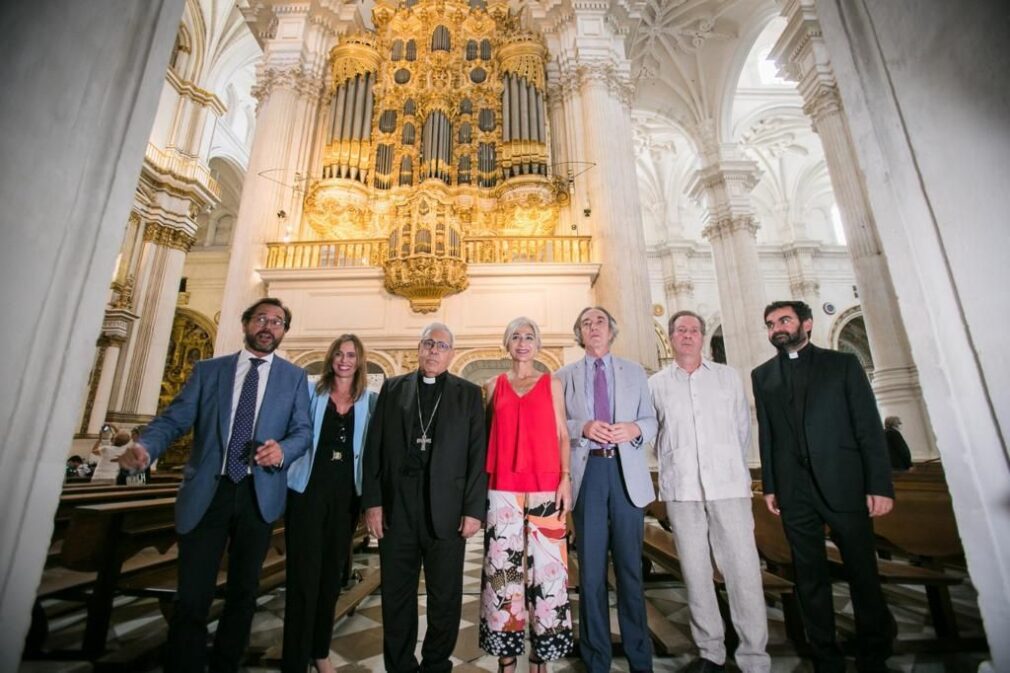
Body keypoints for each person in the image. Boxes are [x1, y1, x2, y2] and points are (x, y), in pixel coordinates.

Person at [119, 297, 312, 673]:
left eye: (277, 322)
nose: (269, 327)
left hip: (259, 492)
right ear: (245, 324)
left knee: (243, 593)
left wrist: (283, 450)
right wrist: (146, 447)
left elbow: (303, 431)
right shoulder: (210, 371)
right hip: (210, 491)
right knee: (193, 592)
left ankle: (225, 664)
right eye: (262, 319)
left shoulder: (294, 378)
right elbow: (174, 419)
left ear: (284, 331)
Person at [751, 300, 895, 673]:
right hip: (794, 492)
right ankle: (825, 655)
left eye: (784, 320)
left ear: (807, 324)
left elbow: (867, 427)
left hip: (844, 484)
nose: (777, 328)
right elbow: (768, 435)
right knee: (809, 575)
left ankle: (874, 650)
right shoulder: (763, 375)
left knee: (863, 573)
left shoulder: (842, 365)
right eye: (770, 324)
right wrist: (771, 485)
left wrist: (879, 485)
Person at [361, 322, 487, 673]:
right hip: (397, 508)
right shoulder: (392, 388)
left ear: (452, 354)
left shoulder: (468, 394)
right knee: (397, 594)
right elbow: (374, 450)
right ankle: (400, 666)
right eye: (429, 344)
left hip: (446, 509)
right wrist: (373, 503)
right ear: (419, 348)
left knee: (445, 596)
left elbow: (478, 457)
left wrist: (473, 509)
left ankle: (435, 664)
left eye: (442, 346)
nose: (434, 351)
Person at [649, 311, 770, 673]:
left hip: (728, 485)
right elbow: (656, 439)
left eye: (693, 330)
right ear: (670, 338)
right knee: (696, 571)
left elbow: (741, 429)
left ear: (702, 337)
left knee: (743, 570)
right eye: (680, 330)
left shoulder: (728, 378)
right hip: (682, 487)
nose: (687, 335)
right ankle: (710, 651)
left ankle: (753, 656)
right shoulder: (656, 384)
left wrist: (721, 461)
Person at [555, 306, 657, 673]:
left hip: (626, 472)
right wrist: (582, 426)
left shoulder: (634, 372)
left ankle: (639, 659)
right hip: (589, 474)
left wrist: (634, 429)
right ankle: (596, 658)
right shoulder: (563, 376)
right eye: (586, 323)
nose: (593, 327)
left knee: (631, 570)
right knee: (592, 573)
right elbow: (556, 423)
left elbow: (651, 419)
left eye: (599, 322)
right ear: (579, 334)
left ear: (611, 331)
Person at [480, 317, 573, 673]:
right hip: (503, 486)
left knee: (548, 573)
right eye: (516, 336)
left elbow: (563, 434)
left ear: (538, 344)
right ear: (507, 344)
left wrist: (565, 478)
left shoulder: (552, 384)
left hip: (546, 484)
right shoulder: (492, 385)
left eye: (529, 336)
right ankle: (506, 657)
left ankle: (540, 656)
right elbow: (486, 437)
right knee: (502, 572)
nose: (522, 342)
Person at [282, 334, 377, 673]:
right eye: (338, 353)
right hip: (307, 494)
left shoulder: (369, 400)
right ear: (330, 358)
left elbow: (371, 453)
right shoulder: (311, 392)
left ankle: (319, 651)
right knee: (302, 577)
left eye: (351, 354)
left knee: (331, 576)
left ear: (360, 360)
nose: (344, 359)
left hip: (345, 498)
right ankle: (293, 658)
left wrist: (371, 501)